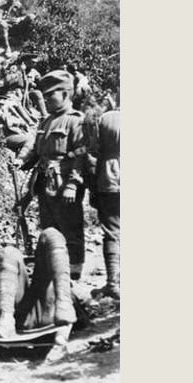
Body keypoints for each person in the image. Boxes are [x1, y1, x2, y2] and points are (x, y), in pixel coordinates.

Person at [13, 70, 89, 280]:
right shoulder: (46, 122)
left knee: (70, 228)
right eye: (44, 95)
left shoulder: (76, 121)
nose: (45, 99)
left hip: (65, 183)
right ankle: (53, 271)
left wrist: (74, 184)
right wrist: (21, 159)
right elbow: (34, 146)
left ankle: (73, 273)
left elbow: (82, 155)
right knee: (49, 227)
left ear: (65, 94)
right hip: (45, 182)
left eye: (50, 95)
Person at [0, 228, 77, 337]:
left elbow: (83, 297)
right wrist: (2, 279)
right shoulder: (9, 271)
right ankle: (6, 318)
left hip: (48, 307)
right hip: (16, 314)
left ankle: (63, 302)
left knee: (51, 234)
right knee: (9, 251)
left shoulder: (55, 270)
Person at [87, 95, 120, 299]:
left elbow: (92, 154)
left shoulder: (105, 119)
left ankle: (113, 283)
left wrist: (92, 187)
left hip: (109, 177)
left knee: (113, 231)